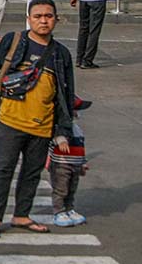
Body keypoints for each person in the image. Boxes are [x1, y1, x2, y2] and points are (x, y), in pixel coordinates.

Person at [0, 0, 75, 240]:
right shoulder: (14, 42)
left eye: (48, 16)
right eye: (38, 16)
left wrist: (62, 130)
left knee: (32, 172)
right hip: (10, 121)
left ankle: (21, 215)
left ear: (56, 19)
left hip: (42, 126)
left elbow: (65, 96)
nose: (43, 20)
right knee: (3, 170)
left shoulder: (61, 54)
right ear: (29, 19)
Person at [49, 96, 92, 228]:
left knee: (71, 189)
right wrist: (59, 139)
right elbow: (52, 139)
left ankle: (69, 208)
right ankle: (59, 211)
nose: (77, 113)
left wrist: (83, 163)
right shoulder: (59, 127)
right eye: (75, 110)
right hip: (61, 164)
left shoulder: (77, 130)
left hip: (75, 164)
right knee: (61, 188)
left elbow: (80, 148)